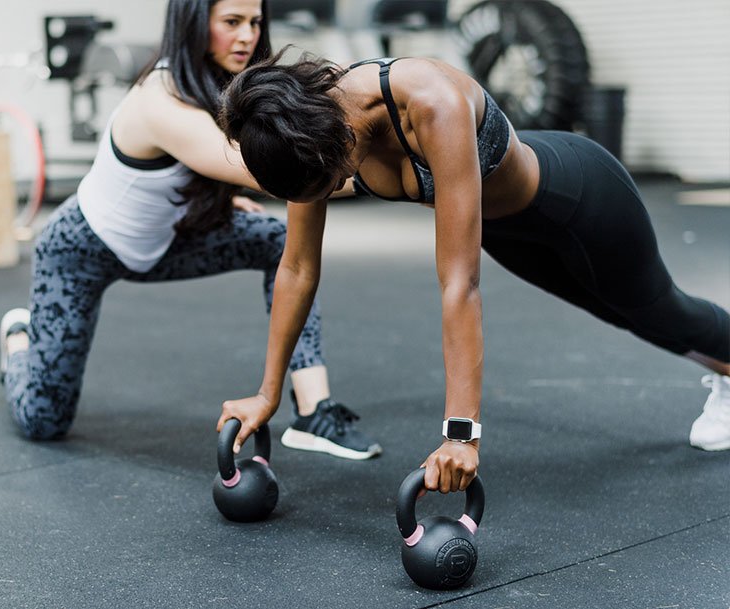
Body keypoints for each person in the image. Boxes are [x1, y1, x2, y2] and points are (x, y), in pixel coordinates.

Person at [215, 50, 730, 492]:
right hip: (508, 232)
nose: (331, 193)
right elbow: (297, 267)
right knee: (621, 314)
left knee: (660, 311)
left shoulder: (426, 100)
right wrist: (267, 392)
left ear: (337, 139)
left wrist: (461, 434)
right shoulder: (300, 133)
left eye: (332, 184)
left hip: (581, 202)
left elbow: (459, 284)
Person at [0, 0, 382, 461]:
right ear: (194, 25)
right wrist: (399, 180)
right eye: (232, 22)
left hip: (170, 240)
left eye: (255, 22)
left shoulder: (230, 83)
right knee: (43, 421)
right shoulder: (159, 99)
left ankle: (314, 409)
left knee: (276, 240)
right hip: (82, 251)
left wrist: (217, 201)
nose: (247, 36)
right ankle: (19, 339)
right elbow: (273, 171)